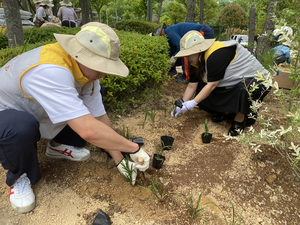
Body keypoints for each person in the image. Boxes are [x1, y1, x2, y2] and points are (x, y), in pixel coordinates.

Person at [0, 22, 150, 213]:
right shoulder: (51, 70)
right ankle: (19, 177)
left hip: (33, 108)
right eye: (100, 67)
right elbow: (88, 129)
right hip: (5, 113)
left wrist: (119, 160)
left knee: (86, 110)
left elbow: (99, 119)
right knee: (20, 127)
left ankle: (56, 146)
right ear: (84, 58)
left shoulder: (85, 75)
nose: (103, 73)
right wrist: (134, 148)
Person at [171, 30, 271, 136]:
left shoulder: (217, 54)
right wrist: (182, 104)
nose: (186, 58)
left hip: (258, 80)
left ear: (197, 50)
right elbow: (192, 85)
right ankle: (225, 113)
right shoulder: (196, 60)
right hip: (234, 80)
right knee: (202, 87)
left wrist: (193, 102)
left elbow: (212, 85)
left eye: (188, 54)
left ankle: (240, 120)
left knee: (244, 88)